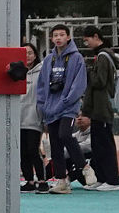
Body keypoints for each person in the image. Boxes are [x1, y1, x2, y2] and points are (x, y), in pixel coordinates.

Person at [37, 23, 94, 194]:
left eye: (62, 35)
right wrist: (42, 105)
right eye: (55, 35)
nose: (58, 38)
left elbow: (79, 84)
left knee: (65, 134)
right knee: (55, 144)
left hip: (68, 107)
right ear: (51, 38)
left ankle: (85, 167)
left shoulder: (76, 58)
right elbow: (41, 85)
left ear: (68, 37)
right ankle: (62, 180)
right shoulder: (49, 60)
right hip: (50, 108)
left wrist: (66, 100)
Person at [78, 25, 119, 191]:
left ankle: (112, 180)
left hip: (102, 108)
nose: (87, 44)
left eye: (87, 40)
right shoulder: (102, 56)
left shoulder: (103, 57)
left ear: (96, 37)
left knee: (105, 146)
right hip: (97, 109)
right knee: (97, 146)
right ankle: (101, 178)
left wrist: (89, 72)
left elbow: (100, 81)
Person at [18, 42, 49, 193]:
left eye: (30, 53)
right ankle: (29, 180)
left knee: (33, 149)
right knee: (22, 152)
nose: (27, 56)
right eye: (24, 53)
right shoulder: (16, 72)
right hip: (19, 118)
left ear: (35, 55)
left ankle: (42, 180)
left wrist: (45, 117)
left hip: (35, 117)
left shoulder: (42, 71)